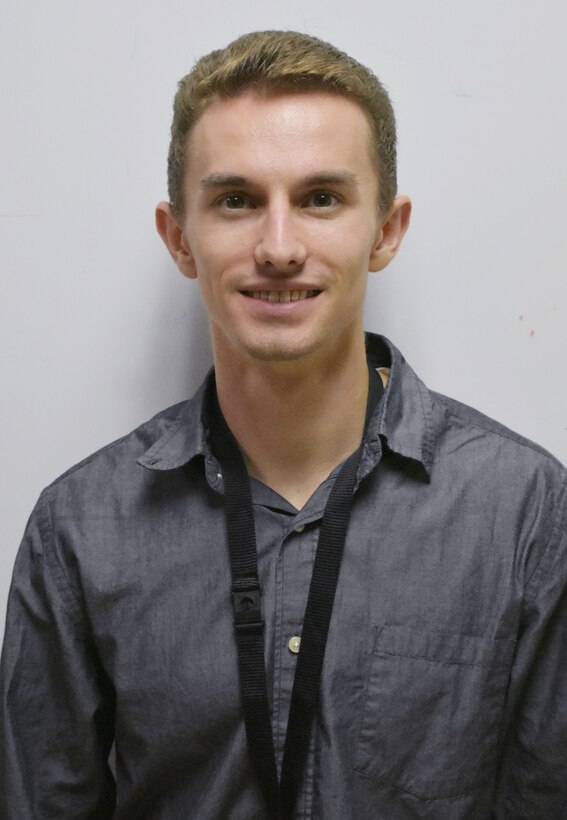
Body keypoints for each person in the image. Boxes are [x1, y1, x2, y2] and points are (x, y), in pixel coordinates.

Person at [1, 29, 566, 820]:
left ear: (386, 230)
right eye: (236, 200)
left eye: (320, 199)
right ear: (178, 238)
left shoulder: (524, 510)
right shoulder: (78, 530)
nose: (277, 247)